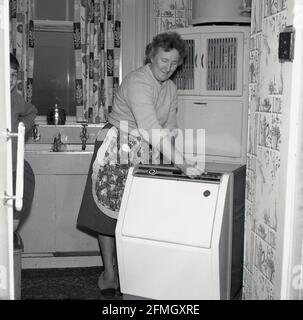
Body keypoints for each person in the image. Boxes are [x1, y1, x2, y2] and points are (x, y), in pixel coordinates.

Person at [77, 32, 204, 297]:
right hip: (117, 146)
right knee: (107, 213)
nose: (168, 67)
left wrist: (175, 160)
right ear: (151, 56)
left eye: (174, 62)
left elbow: (168, 128)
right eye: (163, 61)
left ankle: (129, 273)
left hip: (146, 150)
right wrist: (180, 164)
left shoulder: (170, 88)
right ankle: (110, 275)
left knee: (134, 214)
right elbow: (149, 127)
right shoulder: (138, 81)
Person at [10, 53, 37, 232]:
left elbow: (32, 111)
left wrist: (21, 127)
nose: (11, 79)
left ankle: (9, 236)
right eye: (6, 74)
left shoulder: (15, 98)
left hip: (12, 167)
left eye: (14, 75)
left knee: (14, 214)